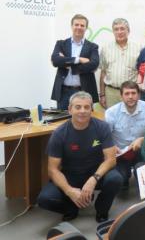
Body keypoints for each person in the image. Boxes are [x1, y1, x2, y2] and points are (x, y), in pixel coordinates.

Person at [37, 92, 122, 223]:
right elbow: (52, 170)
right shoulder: (59, 134)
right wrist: (69, 190)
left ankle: (101, 209)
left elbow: (111, 159)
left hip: (96, 172)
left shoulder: (102, 127)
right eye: (78, 107)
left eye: (86, 107)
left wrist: (94, 179)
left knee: (115, 179)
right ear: (70, 109)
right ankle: (72, 208)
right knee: (44, 199)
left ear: (91, 109)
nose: (82, 111)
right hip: (71, 176)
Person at [105, 81, 145, 189]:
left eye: (133, 93)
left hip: (141, 150)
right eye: (127, 94)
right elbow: (104, 137)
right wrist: (111, 146)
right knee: (120, 180)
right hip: (120, 153)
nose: (130, 97)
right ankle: (125, 176)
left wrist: (142, 139)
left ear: (139, 95)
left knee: (144, 175)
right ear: (121, 96)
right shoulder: (111, 112)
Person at [50, 14, 99, 110]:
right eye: (76, 25)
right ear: (71, 26)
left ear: (86, 28)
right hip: (63, 92)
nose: (79, 27)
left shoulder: (93, 46)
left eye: (82, 25)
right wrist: (79, 59)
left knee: (84, 122)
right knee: (62, 121)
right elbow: (56, 60)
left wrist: (67, 63)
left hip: (84, 91)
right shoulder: (61, 44)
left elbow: (94, 64)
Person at [99, 18, 141, 108]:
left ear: (128, 31)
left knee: (132, 119)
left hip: (131, 93)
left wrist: (139, 93)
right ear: (113, 32)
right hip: (111, 93)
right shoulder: (105, 48)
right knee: (112, 121)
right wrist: (102, 95)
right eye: (116, 29)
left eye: (122, 28)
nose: (119, 32)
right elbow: (103, 72)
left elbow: (141, 73)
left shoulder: (138, 48)